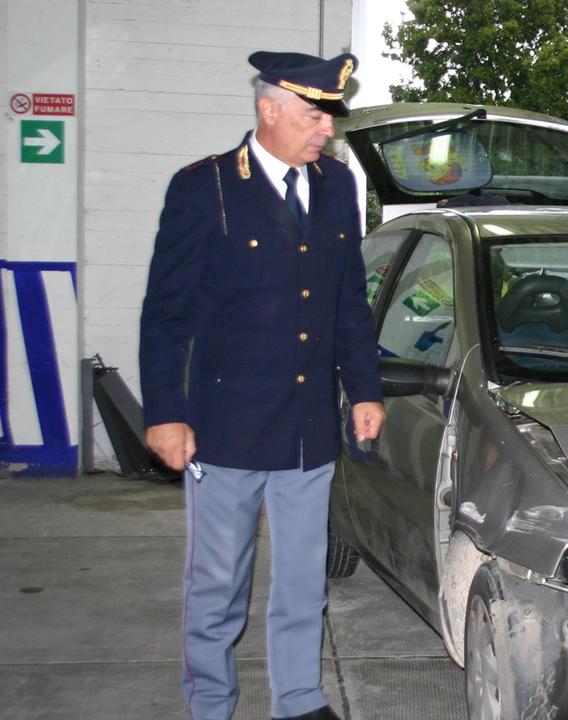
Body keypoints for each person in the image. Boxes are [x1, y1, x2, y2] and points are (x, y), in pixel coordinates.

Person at [139, 50, 386, 720]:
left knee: (304, 583)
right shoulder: (207, 187)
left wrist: (364, 389)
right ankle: (211, 705)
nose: (326, 130)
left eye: (329, 116)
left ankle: (299, 701)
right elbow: (167, 313)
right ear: (268, 109)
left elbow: (347, 303)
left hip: (308, 428)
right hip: (225, 428)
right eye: (314, 114)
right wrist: (165, 412)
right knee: (218, 586)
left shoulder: (338, 187)